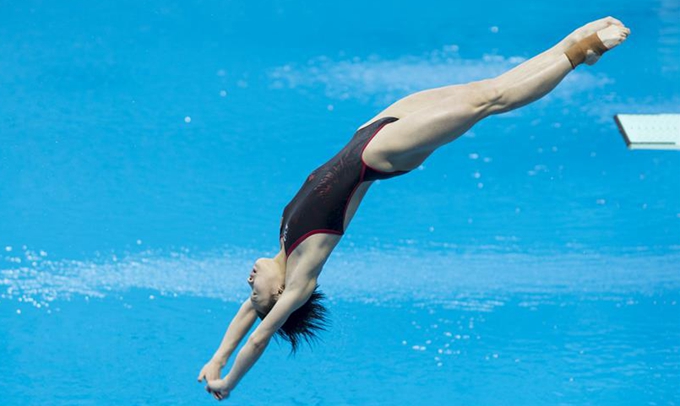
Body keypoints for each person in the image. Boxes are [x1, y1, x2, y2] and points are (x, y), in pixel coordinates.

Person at [198, 17, 630, 401]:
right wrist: (230, 380)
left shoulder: (282, 251)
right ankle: (578, 54)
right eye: (256, 292)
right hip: (382, 155)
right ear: (278, 299)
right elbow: (258, 337)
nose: (249, 284)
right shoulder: (300, 279)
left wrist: (216, 358)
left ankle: (565, 48)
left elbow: (245, 317)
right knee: (487, 104)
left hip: (370, 132)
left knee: (485, 89)